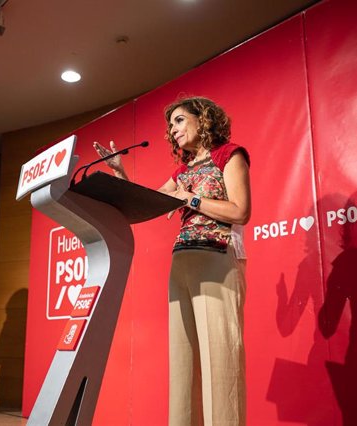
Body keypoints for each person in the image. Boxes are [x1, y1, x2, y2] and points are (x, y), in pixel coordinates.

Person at [94, 96, 251, 425]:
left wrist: (190, 197)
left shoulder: (229, 155)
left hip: (217, 261)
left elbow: (240, 211)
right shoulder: (182, 172)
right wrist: (120, 174)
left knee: (220, 362)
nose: (173, 130)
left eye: (179, 121)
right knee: (183, 364)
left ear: (203, 119)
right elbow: (144, 205)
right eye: (171, 125)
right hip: (181, 265)